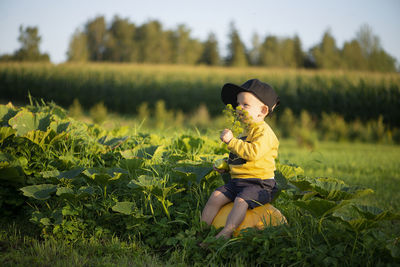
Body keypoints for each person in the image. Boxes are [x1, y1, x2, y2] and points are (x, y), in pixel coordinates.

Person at [201, 78, 280, 239]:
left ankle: (226, 232)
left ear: (263, 111)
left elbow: (253, 153)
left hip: (260, 184)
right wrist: (227, 166)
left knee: (241, 201)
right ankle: (200, 230)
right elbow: (241, 158)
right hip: (238, 182)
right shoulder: (245, 131)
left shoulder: (264, 133)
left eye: (245, 105)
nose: (239, 108)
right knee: (215, 196)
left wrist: (231, 141)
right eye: (238, 104)